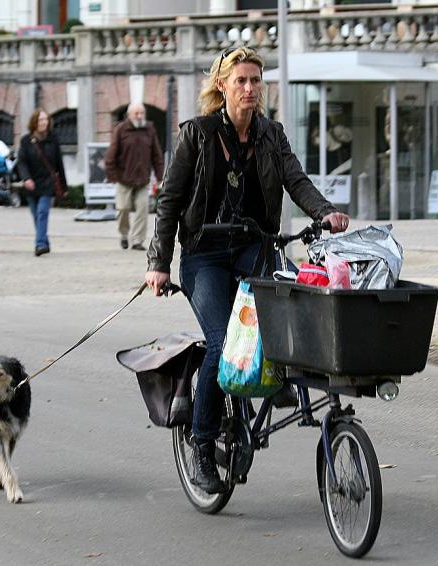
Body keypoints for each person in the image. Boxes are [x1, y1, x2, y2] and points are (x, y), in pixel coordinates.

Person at [144, 47, 350, 494]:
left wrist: (326, 212)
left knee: (300, 297)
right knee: (222, 343)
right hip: (205, 255)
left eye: (256, 80)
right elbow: (170, 203)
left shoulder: (271, 134)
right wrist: (159, 263)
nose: (250, 88)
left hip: (254, 247)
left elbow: (296, 181)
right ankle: (201, 446)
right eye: (241, 80)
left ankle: (277, 380)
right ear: (222, 85)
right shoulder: (196, 135)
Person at [104, 102, 164, 251]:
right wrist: (112, 175)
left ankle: (137, 240)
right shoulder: (120, 130)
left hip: (143, 178)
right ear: (129, 115)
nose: (139, 116)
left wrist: (160, 176)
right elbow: (111, 155)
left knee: (142, 209)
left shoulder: (149, 130)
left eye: (142, 113)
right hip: (123, 178)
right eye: (136, 113)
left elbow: (157, 155)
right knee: (123, 209)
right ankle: (124, 234)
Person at [17, 109, 67, 257]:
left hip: (48, 183)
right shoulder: (26, 141)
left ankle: (40, 244)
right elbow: (22, 163)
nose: (44, 122)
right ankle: (44, 240)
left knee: (42, 212)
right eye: (40, 120)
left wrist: (64, 186)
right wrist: (26, 178)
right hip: (32, 182)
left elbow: (59, 164)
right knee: (36, 215)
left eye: (46, 119)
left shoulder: (53, 139)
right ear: (34, 122)